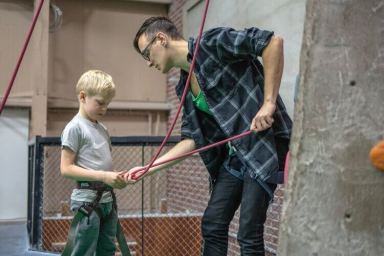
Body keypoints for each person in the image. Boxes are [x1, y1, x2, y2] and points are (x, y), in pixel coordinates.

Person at [126, 16, 292, 256]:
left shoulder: (212, 44)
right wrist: (148, 168)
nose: (148, 63)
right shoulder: (183, 86)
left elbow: (272, 42)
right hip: (235, 158)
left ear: (161, 39)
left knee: (248, 234)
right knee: (213, 224)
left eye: (146, 54)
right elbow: (191, 140)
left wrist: (268, 103)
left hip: (261, 149)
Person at [60, 70, 130, 256]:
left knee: (107, 249)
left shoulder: (103, 130)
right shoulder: (75, 128)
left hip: (107, 200)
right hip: (88, 201)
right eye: (100, 103)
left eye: (107, 104)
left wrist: (116, 177)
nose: (104, 109)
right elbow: (66, 168)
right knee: (83, 249)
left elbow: (103, 166)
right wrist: (104, 176)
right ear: (83, 96)